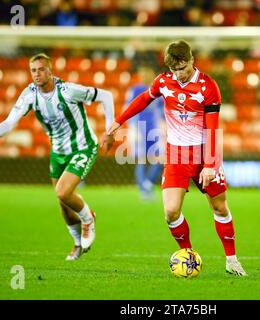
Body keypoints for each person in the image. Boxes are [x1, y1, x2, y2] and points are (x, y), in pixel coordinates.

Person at [106, 40, 247, 276]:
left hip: (204, 153)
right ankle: (188, 256)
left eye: (182, 68)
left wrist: (211, 164)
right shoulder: (164, 81)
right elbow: (143, 100)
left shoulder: (208, 86)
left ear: (192, 60)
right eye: (174, 70)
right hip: (176, 155)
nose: (179, 75)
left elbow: (212, 128)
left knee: (220, 207)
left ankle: (231, 260)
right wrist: (118, 121)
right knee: (171, 211)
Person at [0, 53, 115, 261]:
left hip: (83, 147)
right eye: (33, 71)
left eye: (41, 69)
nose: (37, 74)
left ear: (51, 71)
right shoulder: (29, 95)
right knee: (62, 203)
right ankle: (77, 244)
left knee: (63, 192)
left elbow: (106, 96)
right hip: (58, 151)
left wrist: (109, 131)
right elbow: (11, 121)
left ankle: (88, 219)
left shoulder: (68, 90)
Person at [125, 66, 164, 200]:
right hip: (139, 128)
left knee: (160, 158)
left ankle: (147, 184)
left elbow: (163, 111)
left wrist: (164, 126)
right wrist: (132, 128)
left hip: (155, 129)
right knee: (141, 159)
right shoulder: (136, 90)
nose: (146, 75)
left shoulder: (159, 91)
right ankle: (143, 189)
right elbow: (128, 109)